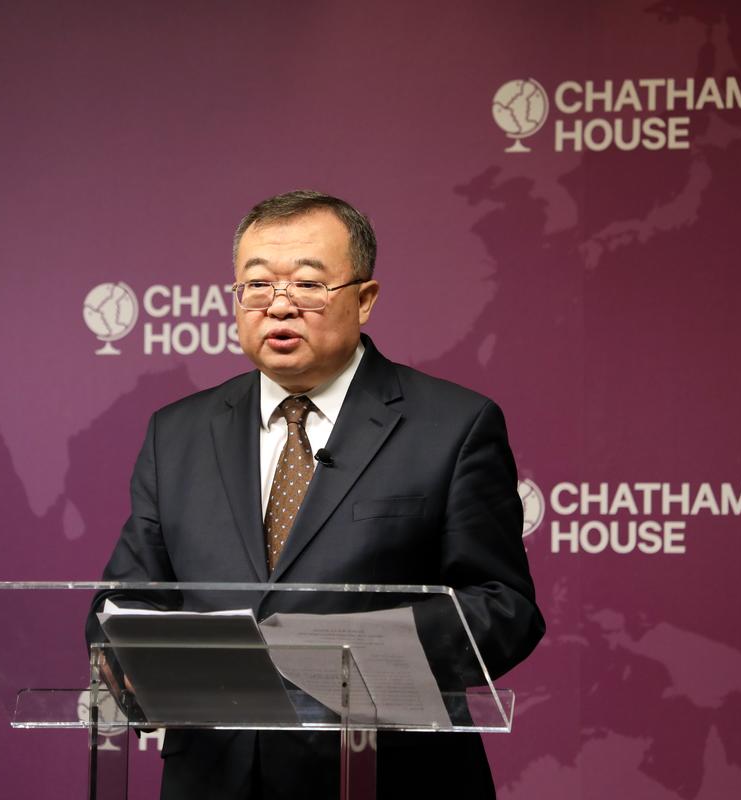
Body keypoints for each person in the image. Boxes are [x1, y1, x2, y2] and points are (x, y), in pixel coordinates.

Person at [98, 190, 543, 799]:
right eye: (257, 285)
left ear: (365, 299)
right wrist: (125, 655)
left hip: (387, 776)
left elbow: (503, 608)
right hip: (214, 779)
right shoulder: (176, 433)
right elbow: (125, 600)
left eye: (308, 285)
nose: (279, 306)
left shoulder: (453, 426)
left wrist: (356, 651)